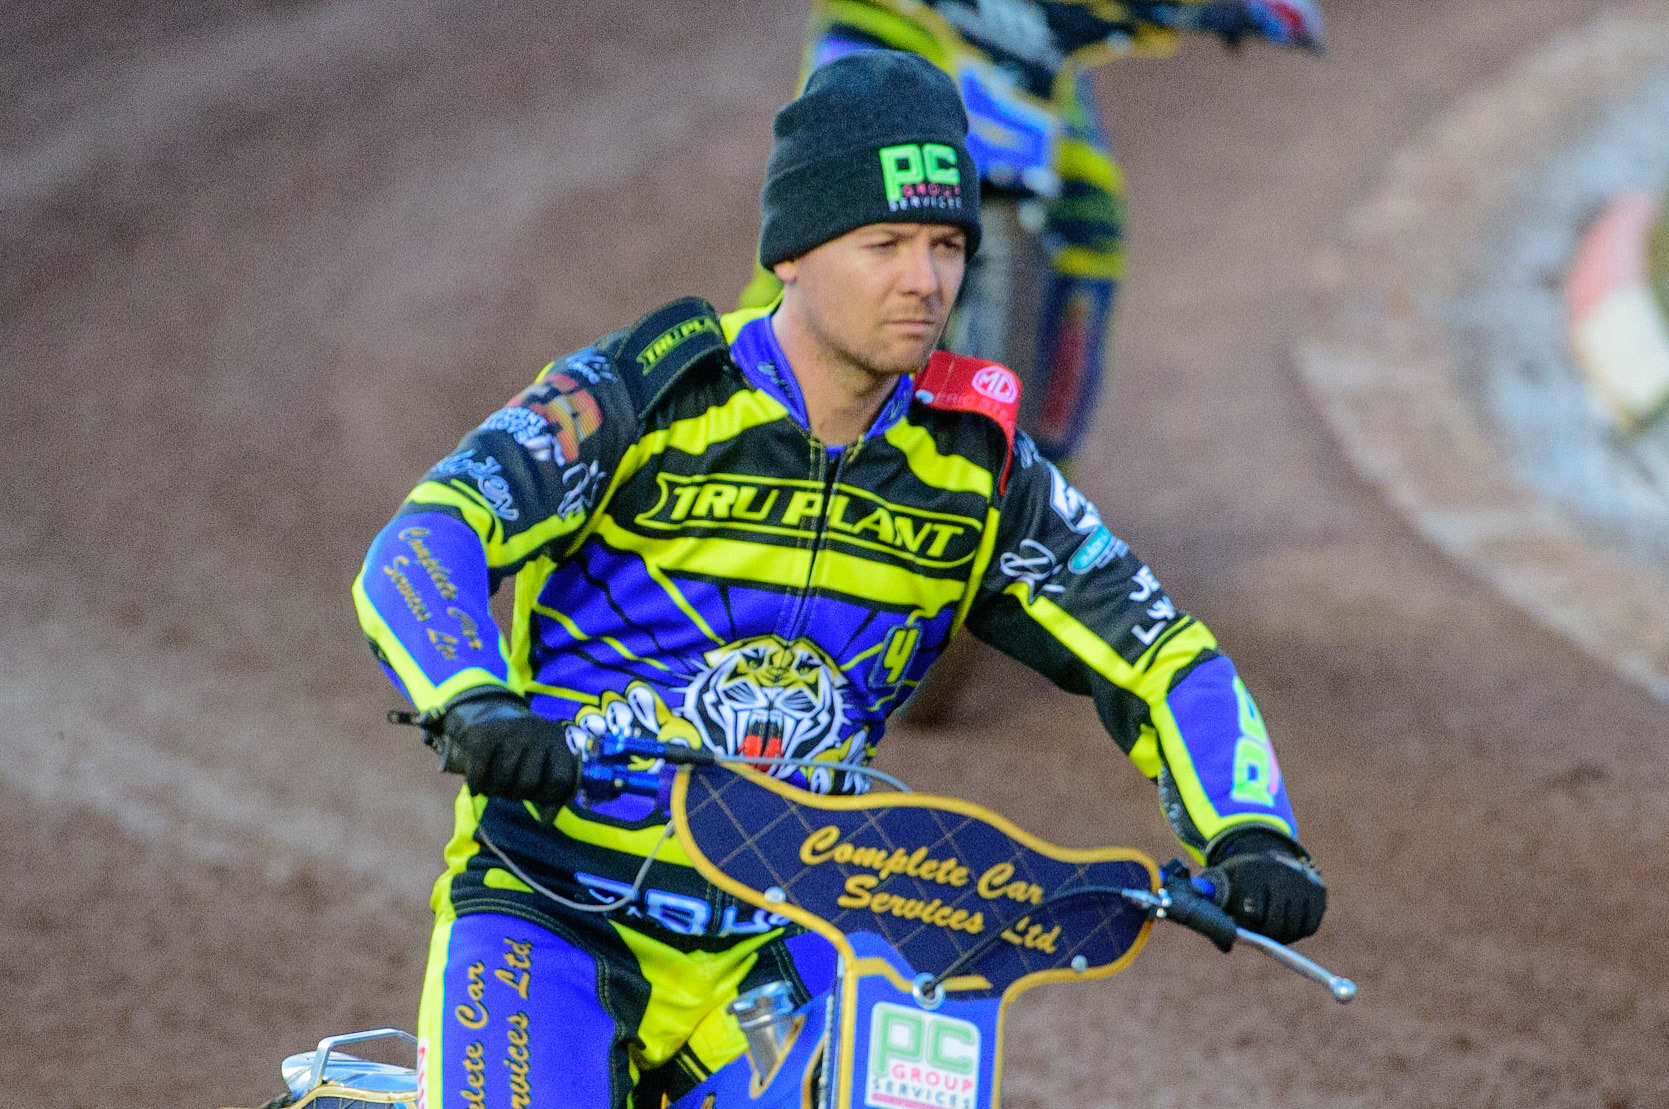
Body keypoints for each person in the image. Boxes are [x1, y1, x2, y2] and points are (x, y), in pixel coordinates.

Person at [354, 50, 1325, 1109]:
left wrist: (1249, 825)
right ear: (794, 257)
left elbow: (1157, 651)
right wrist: (473, 696)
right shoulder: (647, 389)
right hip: (553, 909)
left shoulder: (981, 464)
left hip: (796, 933)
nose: (927, 279)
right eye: (886, 243)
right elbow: (429, 535)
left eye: (948, 244)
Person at [739, 0, 1324, 466]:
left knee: (1090, 217)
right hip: (896, 29)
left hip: (1033, 52)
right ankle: (738, 395)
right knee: (835, 208)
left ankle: (1046, 477)